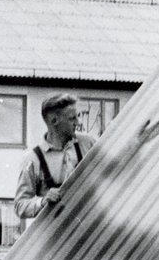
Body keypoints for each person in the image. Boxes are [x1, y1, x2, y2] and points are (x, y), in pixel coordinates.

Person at [13, 92, 101, 226]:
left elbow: (114, 165)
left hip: (89, 232)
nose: (78, 122)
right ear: (54, 121)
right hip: (55, 239)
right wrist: (42, 202)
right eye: (72, 118)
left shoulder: (88, 144)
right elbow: (20, 205)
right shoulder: (33, 159)